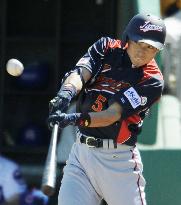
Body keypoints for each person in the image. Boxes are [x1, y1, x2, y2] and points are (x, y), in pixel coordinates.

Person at [48, 13, 166, 205]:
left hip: (118, 162)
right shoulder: (106, 47)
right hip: (81, 156)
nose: (142, 52)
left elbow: (111, 115)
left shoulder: (152, 80)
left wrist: (73, 119)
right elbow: (81, 73)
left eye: (150, 48)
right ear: (128, 39)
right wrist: (66, 93)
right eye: (139, 43)